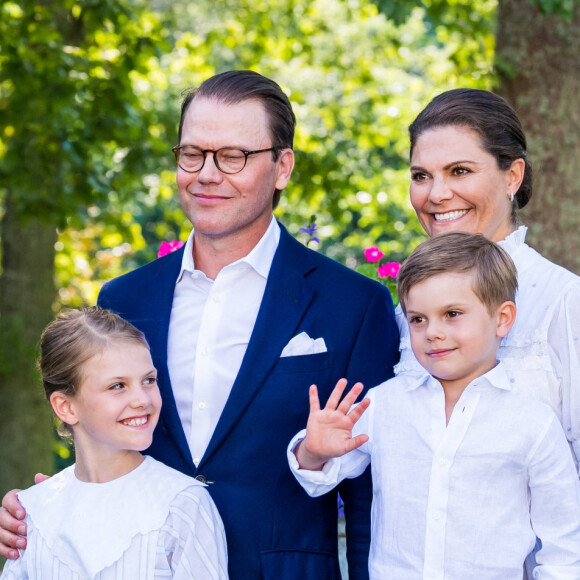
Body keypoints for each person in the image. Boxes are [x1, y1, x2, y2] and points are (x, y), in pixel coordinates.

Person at [0, 71, 400, 579]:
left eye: (233, 156)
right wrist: (47, 506)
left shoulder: (353, 304)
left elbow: (372, 497)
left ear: (282, 167)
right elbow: (103, 437)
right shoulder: (123, 299)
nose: (207, 174)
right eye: (193, 154)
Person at [288, 232, 580, 579]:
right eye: (418, 319)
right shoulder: (383, 404)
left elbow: (564, 546)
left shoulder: (533, 422)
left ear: (502, 318)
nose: (432, 332)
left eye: (452, 313)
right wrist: (313, 451)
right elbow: (319, 477)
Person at [395, 88, 580, 471]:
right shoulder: (407, 310)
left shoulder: (564, 301)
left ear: (512, 176)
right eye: (421, 176)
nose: (436, 194)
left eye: (459, 171)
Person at [1, 307, 228, 579]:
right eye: (117, 386)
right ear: (66, 407)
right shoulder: (32, 512)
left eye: (149, 380)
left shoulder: (183, 505)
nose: (142, 400)